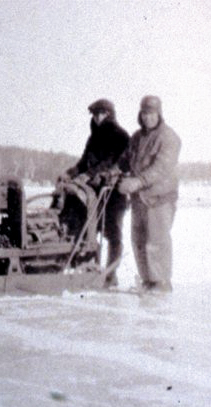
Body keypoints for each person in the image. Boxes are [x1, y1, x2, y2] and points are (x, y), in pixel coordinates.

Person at [61, 98, 131, 287]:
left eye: (102, 113)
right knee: (91, 230)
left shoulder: (120, 136)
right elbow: (84, 162)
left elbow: (110, 162)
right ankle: (92, 269)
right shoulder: (93, 138)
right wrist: (71, 173)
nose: (98, 117)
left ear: (110, 114)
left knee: (113, 233)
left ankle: (110, 275)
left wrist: (89, 175)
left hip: (113, 193)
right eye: (95, 114)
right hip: (94, 193)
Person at [117, 95, 181, 293]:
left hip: (159, 199)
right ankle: (147, 280)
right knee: (139, 240)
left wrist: (138, 181)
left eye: (152, 113)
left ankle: (161, 283)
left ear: (159, 114)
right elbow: (124, 160)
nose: (148, 118)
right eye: (145, 113)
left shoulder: (169, 137)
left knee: (156, 240)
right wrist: (113, 173)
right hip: (139, 199)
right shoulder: (136, 138)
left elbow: (161, 167)